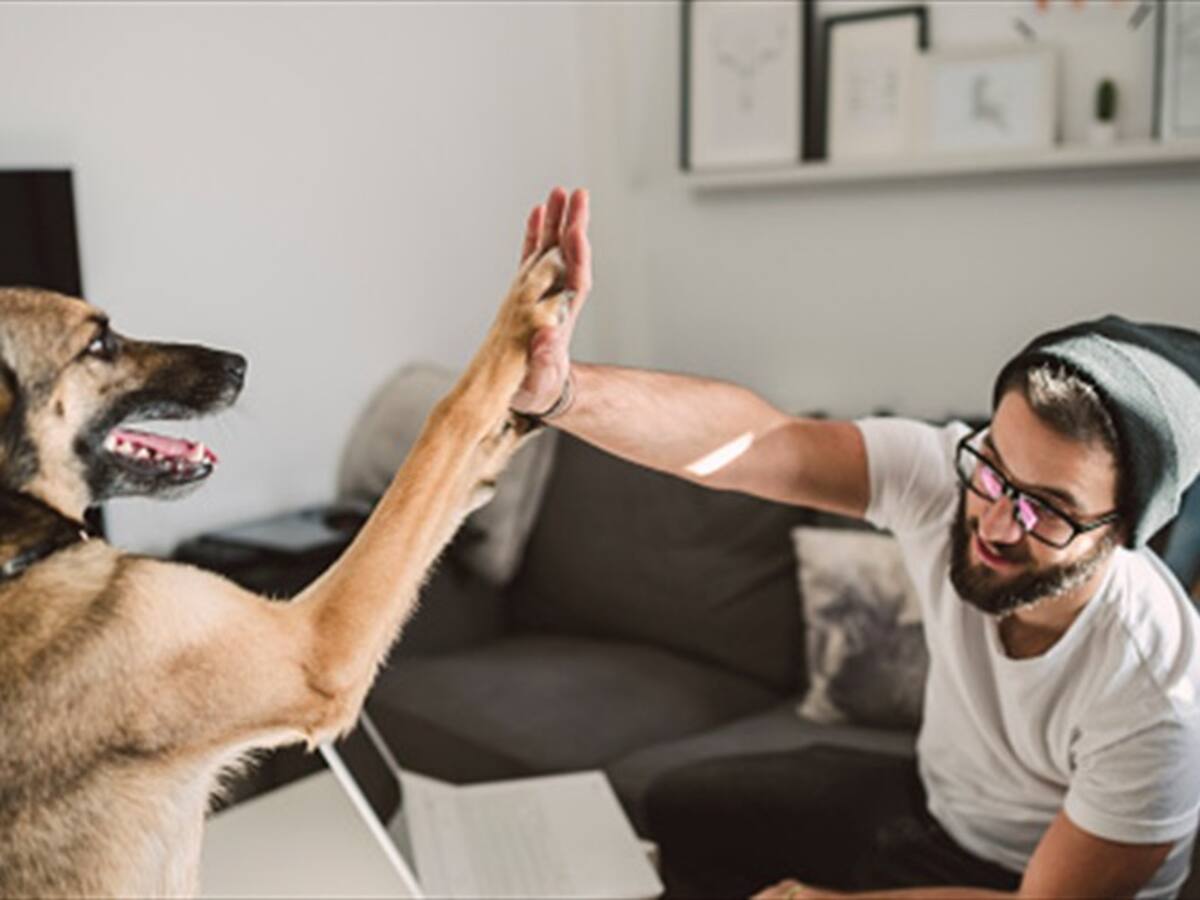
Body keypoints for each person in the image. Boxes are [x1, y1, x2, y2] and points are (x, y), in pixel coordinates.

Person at [513, 187, 1200, 899]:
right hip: (925, 807)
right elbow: (759, 443)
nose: (996, 523)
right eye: (994, 470)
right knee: (676, 809)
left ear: (1123, 531)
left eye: (1049, 510)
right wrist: (562, 392)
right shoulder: (948, 477)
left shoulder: (1157, 696)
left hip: (1015, 881)